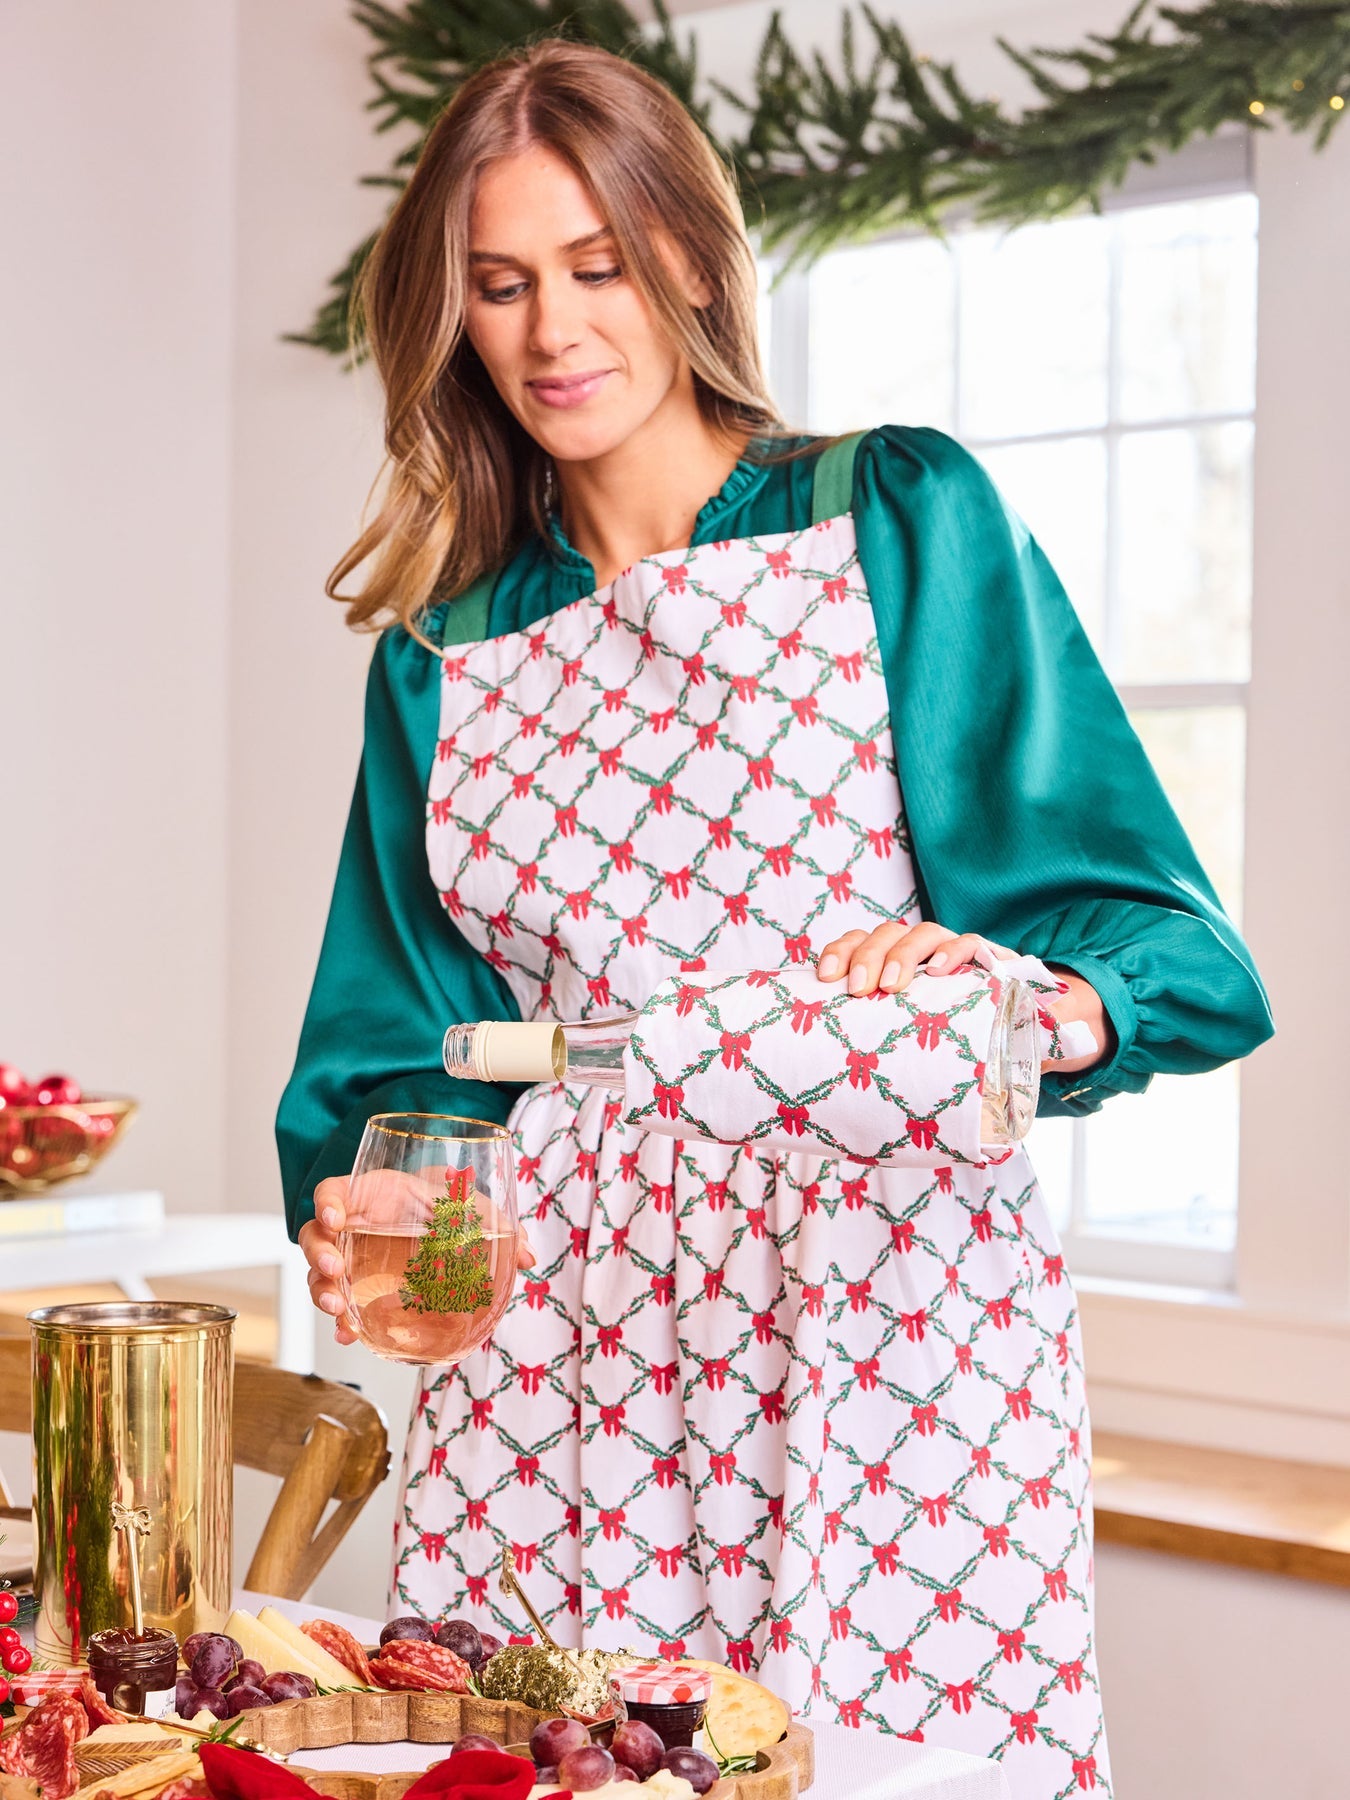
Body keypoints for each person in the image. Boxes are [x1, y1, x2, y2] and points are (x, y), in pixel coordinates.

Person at [277, 39, 1271, 1800]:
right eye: (498, 285)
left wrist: (1018, 995)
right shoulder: (442, 657)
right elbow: (395, 1056)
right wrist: (371, 1207)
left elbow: (1169, 950)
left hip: (881, 1336)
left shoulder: (890, 515)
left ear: (689, 260)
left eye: (598, 267)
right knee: (541, 1765)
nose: (551, 332)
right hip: (557, 1369)